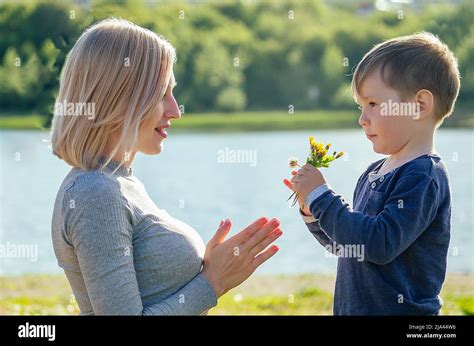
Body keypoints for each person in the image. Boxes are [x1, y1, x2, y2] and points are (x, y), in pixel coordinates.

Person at [51, 18, 282, 315]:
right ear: (120, 97)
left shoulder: (120, 183)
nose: (175, 111)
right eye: (162, 94)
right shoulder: (95, 192)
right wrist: (213, 283)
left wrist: (204, 270)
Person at [284, 32, 460, 315]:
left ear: (419, 106)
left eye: (373, 104)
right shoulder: (373, 173)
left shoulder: (423, 176)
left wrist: (321, 195)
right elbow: (350, 246)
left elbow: (379, 244)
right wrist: (313, 211)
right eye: (360, 106)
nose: (362, 118)